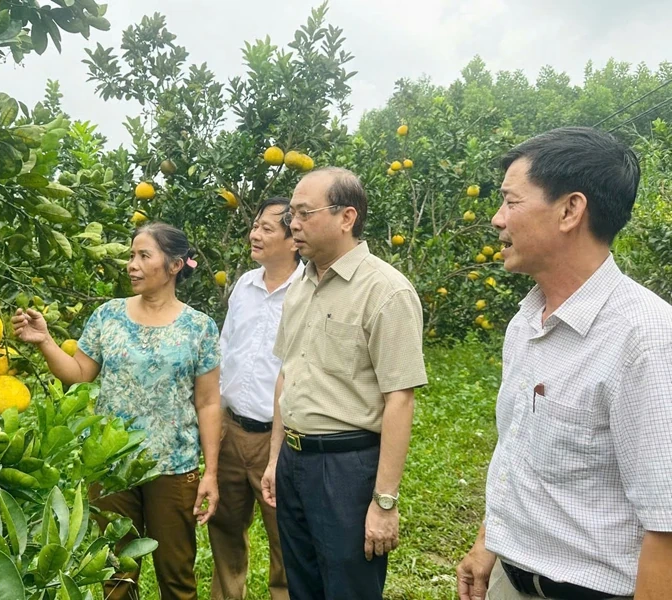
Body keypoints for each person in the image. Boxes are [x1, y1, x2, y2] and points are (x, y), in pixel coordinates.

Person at [456, 127, 672, 600]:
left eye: (511, 202)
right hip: (510, 578)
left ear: (570, 210)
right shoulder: (526, 320)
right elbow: (515, 451)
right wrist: (487, 544)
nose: (497, 219)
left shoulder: (646, 338)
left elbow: (667, 525)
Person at [12, 222, 222, 600]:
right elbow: (77, 375)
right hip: (111, 464)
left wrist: (211, 472)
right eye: (131, 255)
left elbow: (207, 403)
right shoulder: (108, 316)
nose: (132, 264)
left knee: (177, 574)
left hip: (173, 467)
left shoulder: (199, 327)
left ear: (175, 265)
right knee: (116, 574)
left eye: (144, 256)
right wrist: (44, 341)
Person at [260, 167, 428, 600]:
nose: (292, 224)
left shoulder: (385, 291)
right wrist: (276, 458)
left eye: (303, 213)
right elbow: (287, 375)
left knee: (349, 590)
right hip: (295, 463)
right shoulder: (301, 286)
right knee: (303, 587)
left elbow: (400, 399)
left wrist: (384, 501)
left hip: (346, 468)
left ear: (346, 217)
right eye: (290, 215)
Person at [209, 197, 302, 600]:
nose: (254, 234)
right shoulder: (244, 286)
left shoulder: (308, 291)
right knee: (226, 532)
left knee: (287, 539)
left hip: (278, 438)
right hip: (232, 431)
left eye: (267, 228)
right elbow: (225, 349)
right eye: (255, 225)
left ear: (294, 238)